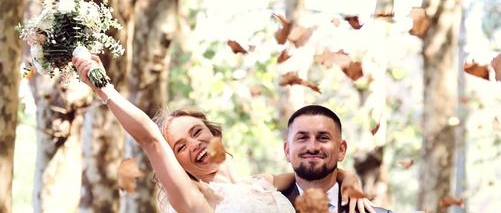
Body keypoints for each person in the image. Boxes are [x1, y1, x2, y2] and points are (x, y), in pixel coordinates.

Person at [72, 55, 372, 213]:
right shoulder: (194, 199)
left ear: (215, 134)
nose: (195, 144)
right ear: (178, 164)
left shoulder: (263, 184)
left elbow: (311, 170)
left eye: (197, 132)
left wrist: (350, 180)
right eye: (180, 146)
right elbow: (149, 139)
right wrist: (104, 88)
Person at [282, 105, 392, 213]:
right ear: (287, 151)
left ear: (341, 150)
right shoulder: (267, 207)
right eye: (302, 138)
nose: (312, 147)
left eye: (323, 138)